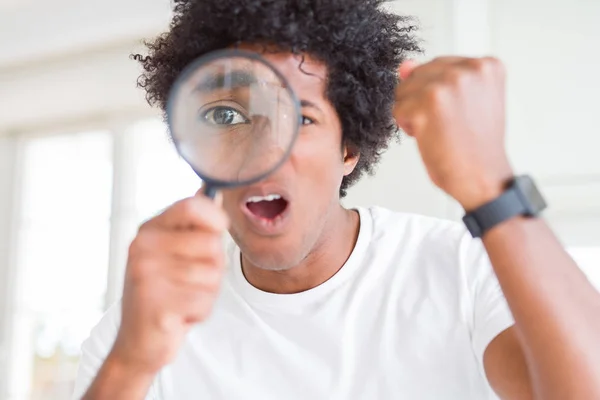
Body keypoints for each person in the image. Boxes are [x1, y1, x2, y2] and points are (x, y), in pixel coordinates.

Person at [73, 0, 600, 399]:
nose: (263, 150)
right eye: (225, 115)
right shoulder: (140, 327)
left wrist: (493, 186)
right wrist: (131, 362)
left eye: (301, 118)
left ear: (349, 147)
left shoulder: (464, 267)